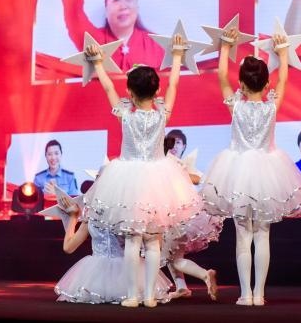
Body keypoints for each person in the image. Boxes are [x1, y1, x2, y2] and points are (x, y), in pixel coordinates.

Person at [80, 34, 202, 308]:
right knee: (154, 241)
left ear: (130, 93)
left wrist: (98, 62)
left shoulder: (126, 115)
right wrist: (178, 56)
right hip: (158, 181)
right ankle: (148, 296)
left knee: (133, 240)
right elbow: (174, 84)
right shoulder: (162, 114)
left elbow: (108, 88)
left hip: (128, 181)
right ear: (156, 92)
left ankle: (133, 296)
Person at [201, 28, 301, 306]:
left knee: (243, 235)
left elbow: (221, 75)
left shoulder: (236, 106)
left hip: (237, 174)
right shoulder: (271, 106)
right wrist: (282, 53)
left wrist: (226, 46)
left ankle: (245, 294)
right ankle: (259, 294)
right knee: (262, 234)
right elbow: (283, 78)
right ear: (266, 85)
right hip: (266, 174)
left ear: (240, 84)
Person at [54, 191, 172, 304]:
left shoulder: (92, 215)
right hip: (126, 276)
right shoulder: (130, 217)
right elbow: (156, 247)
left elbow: (68, 247)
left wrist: (73, 217)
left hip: (96, 279)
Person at [62, 0, 164, 71]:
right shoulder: (93, 41)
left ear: (137, 7)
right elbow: (73, 13)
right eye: (116, 0)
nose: (123, 6)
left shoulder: (157, 45)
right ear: (106, 10)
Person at [161, 136, 221, 301]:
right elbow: (194, 178)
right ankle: (181, 287)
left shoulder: (159, 165)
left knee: (173, 259)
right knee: (173, 255)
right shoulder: (174, 162)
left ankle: (204, 274)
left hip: (171, 217)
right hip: (186, 215)